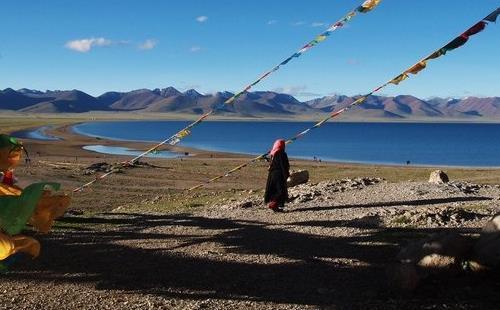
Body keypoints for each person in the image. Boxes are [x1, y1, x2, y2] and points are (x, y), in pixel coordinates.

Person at [264, 139, 290, 212]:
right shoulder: (281, 153)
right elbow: (283, 165)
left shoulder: (273, 154)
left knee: (274, 189)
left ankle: (276, 207)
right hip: (279, 174)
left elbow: (273, 164)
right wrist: (286, 174)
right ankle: (273, 204)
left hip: (272, 174)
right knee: (280, 190)